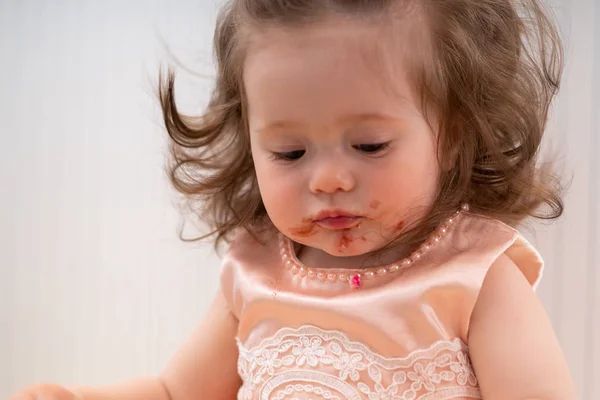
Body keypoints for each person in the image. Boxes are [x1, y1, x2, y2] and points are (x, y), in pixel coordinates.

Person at [12, 0, 578, 399]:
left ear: (451, 135)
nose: (329, 178)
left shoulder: (475, 277)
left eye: (369, 144)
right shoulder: (256, 272)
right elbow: (175, 392)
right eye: (288, 152)